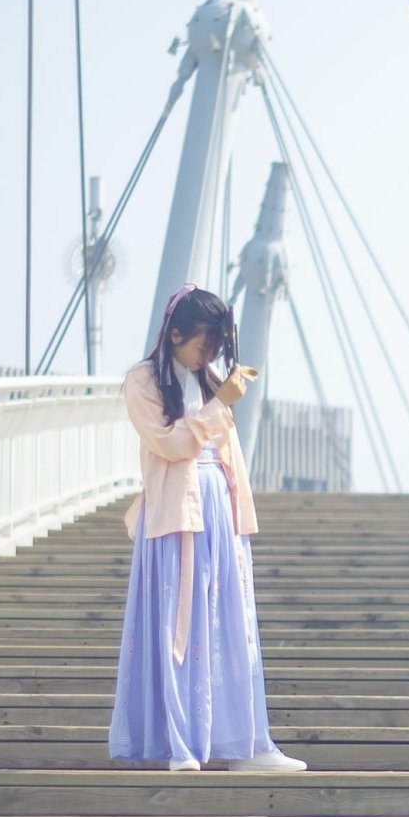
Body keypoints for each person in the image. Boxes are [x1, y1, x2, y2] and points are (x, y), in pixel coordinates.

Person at [108, 283, 306, 772]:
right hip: (177, 515)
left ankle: (247, 743)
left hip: (219, 511)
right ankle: (183, 744)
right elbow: (170, 444)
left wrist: (240, 519)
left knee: (231, 623)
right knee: (181, 621)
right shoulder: (143, 381)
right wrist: (221, 406)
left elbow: (224, 456)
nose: (208, 355)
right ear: (174, 333)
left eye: (216, 346)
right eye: (202, 343)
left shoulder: (207, 378)